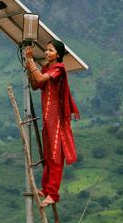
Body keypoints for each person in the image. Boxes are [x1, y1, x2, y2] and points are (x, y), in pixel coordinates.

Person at [24, 40, 80, 207]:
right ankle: (47, 189)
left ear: (58, 54)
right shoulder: (47, 68)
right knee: (48, 155)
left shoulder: (59, 69)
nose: (46, 53)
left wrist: (31, 60)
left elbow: (40, 78)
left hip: (57, 117)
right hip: (48, 117)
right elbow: (36, 85)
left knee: (55, 156)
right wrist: (29, 65)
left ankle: (53, 194)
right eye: (46, 50)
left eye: (50, 50)